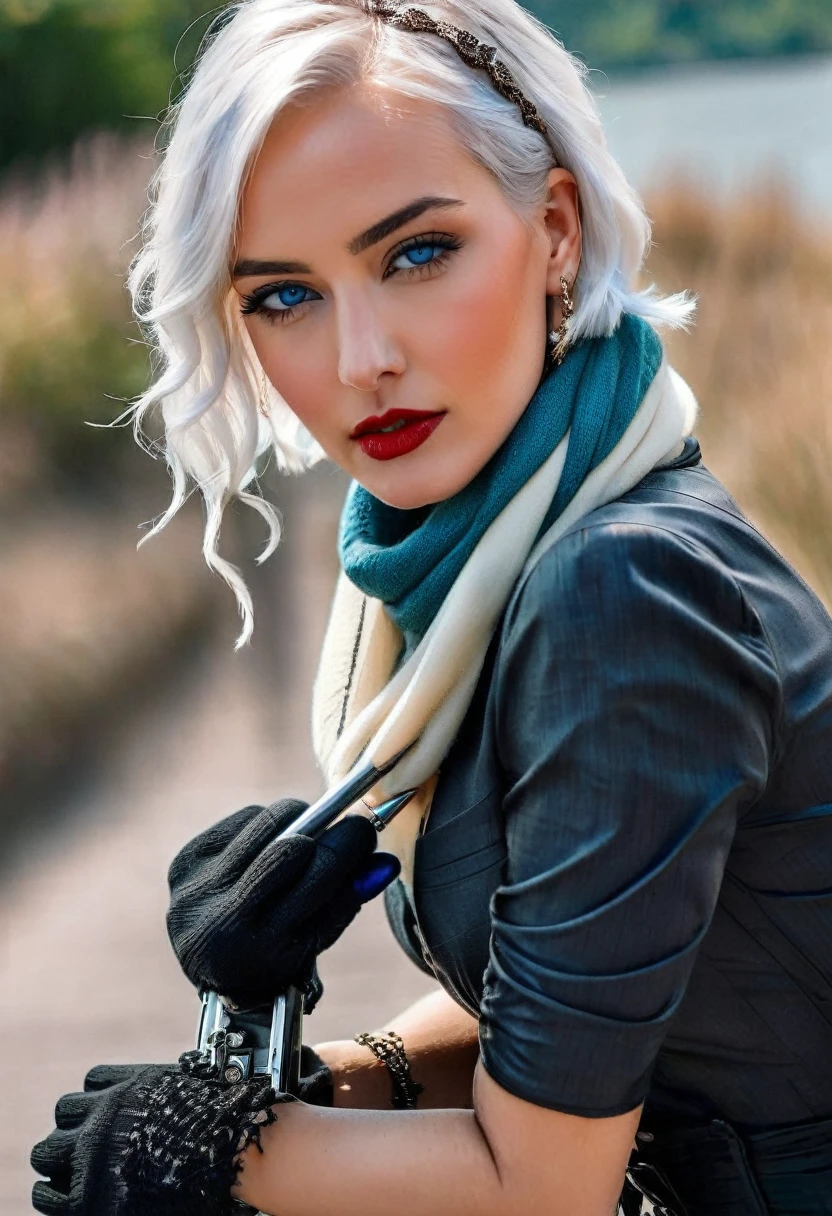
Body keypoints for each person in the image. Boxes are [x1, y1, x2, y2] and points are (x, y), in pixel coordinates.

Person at [30, 1, 832, 1214]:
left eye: (415, 254)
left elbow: (544, 1178)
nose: (362, 360)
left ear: (554, 229)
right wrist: (322, 1064)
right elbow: (578, 1004)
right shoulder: (475, 562)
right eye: (282, 296)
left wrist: (207, 1146)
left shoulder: (621, 584)